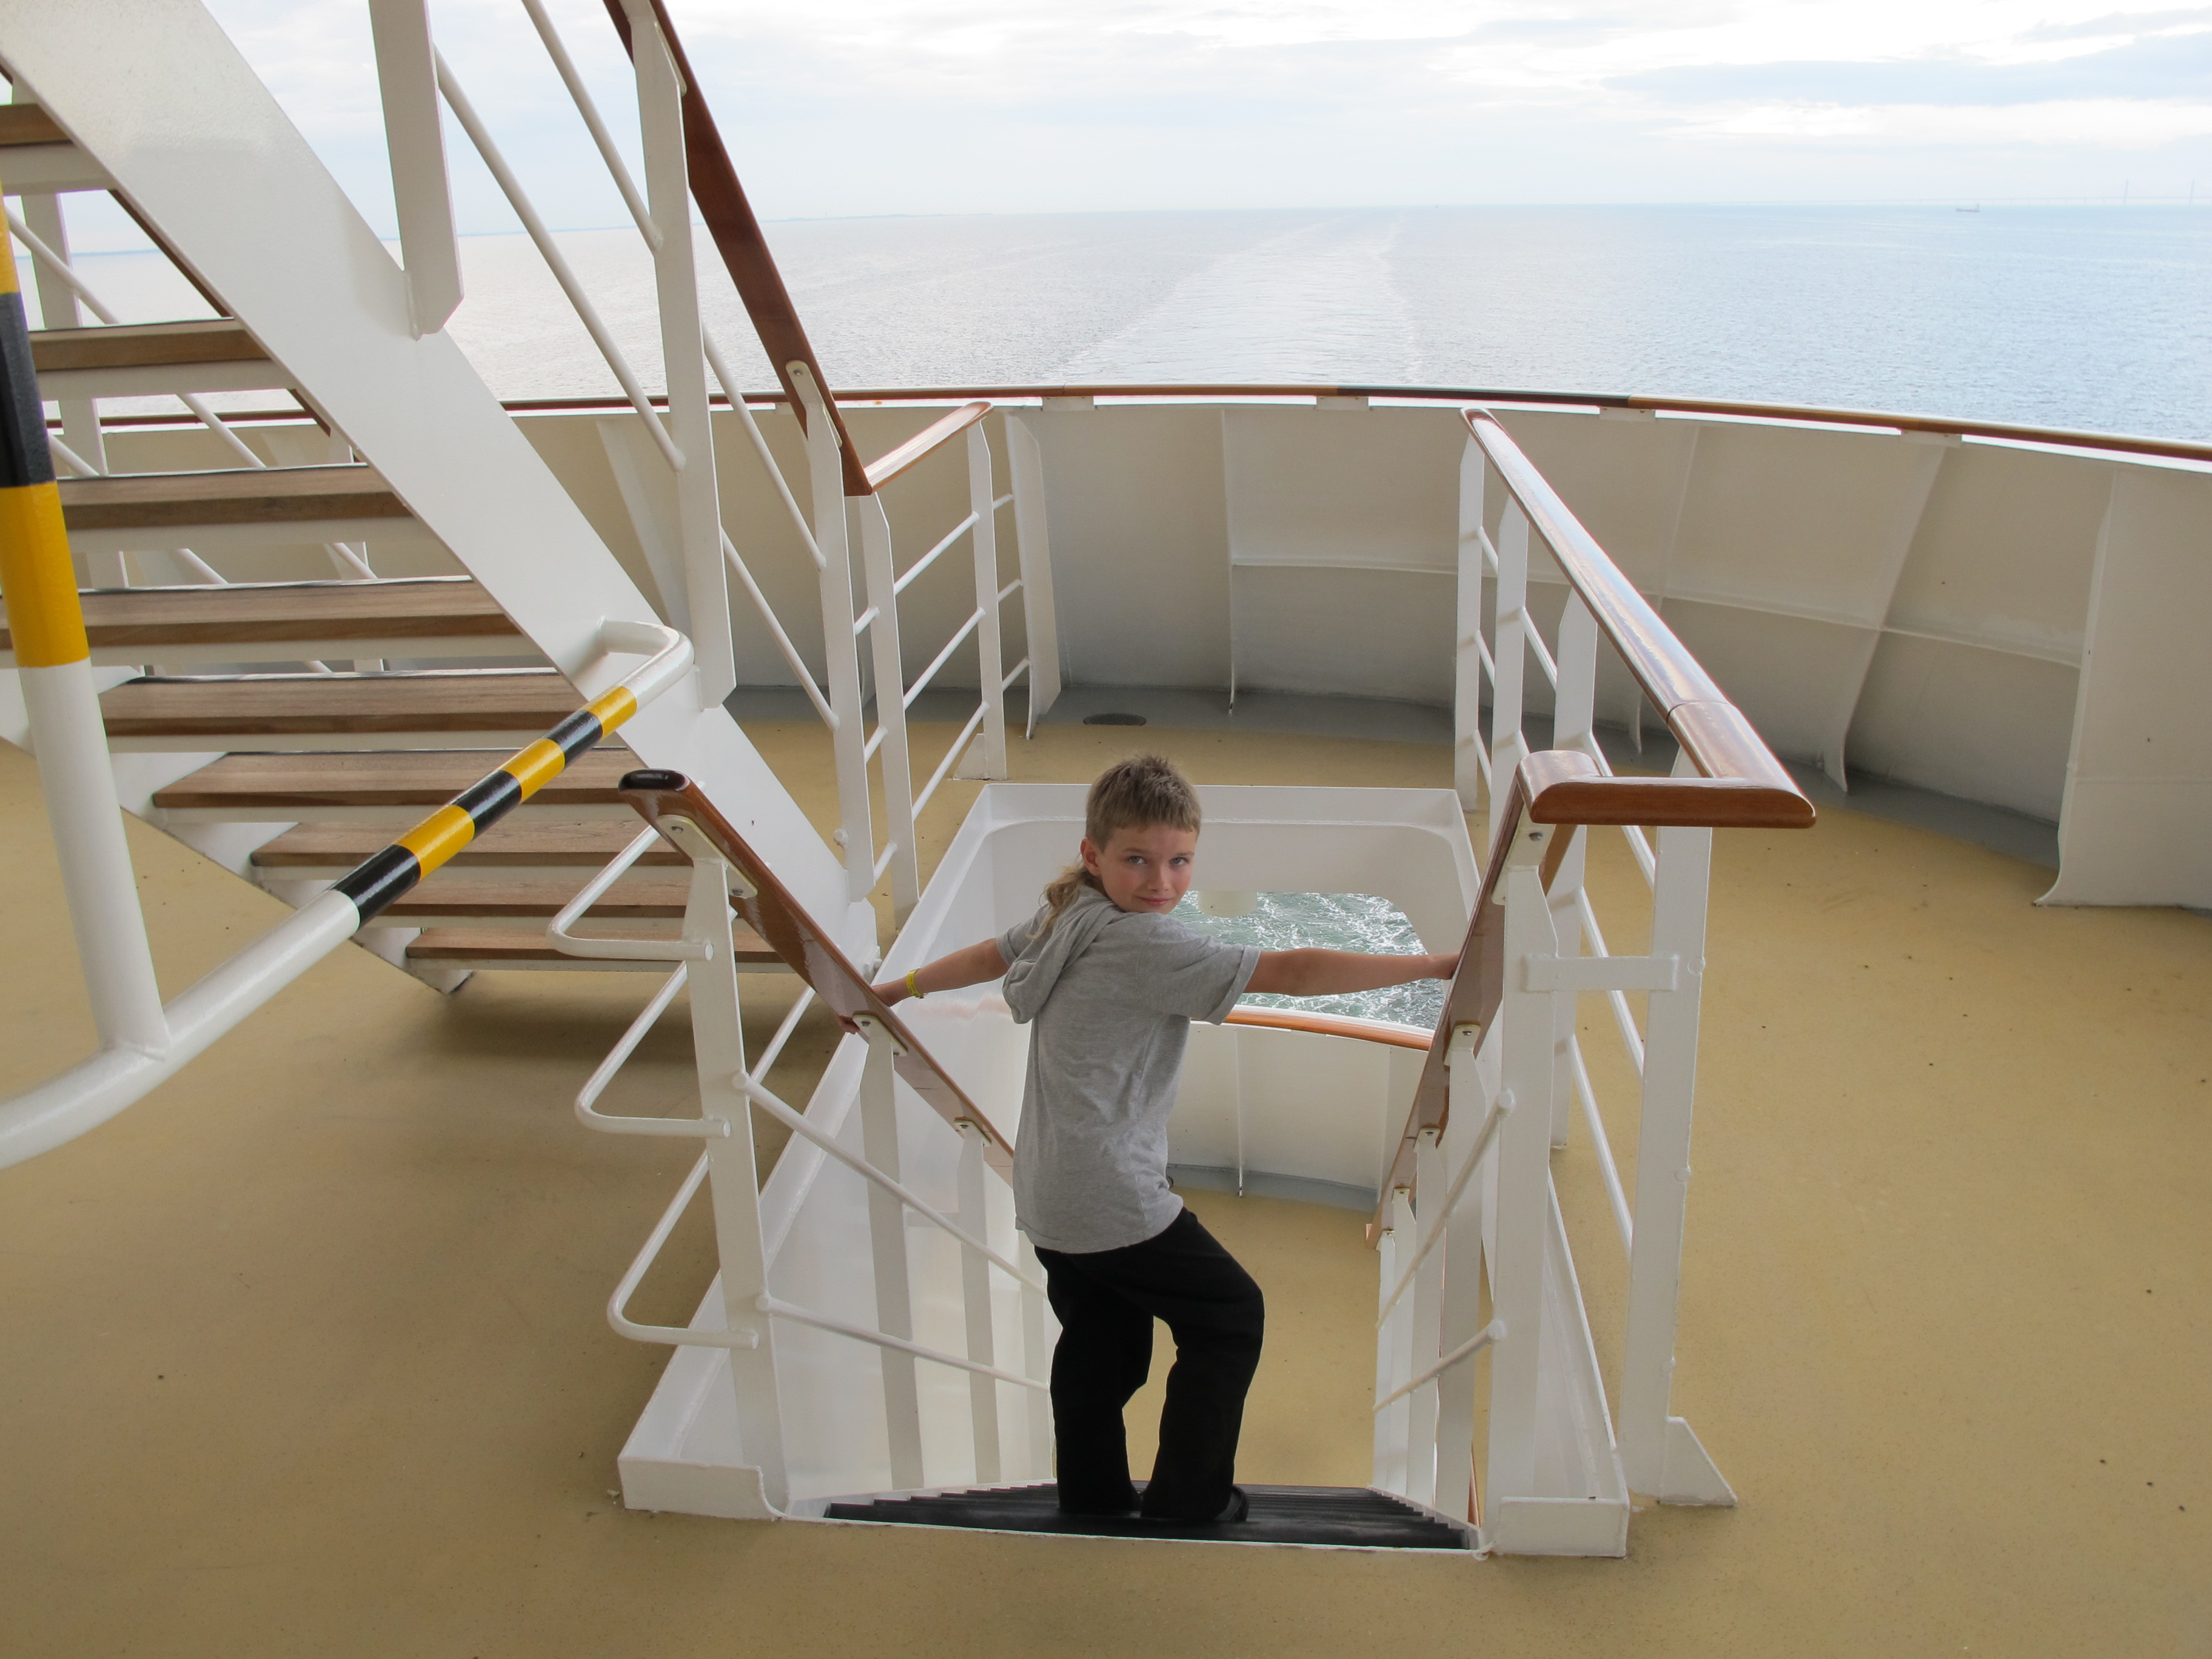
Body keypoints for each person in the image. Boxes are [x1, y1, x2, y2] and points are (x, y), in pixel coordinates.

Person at [868, 755, 1457, 1524]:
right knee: (1231, 1316)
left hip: (1048, 1194)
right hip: (1110, 1196)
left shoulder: (1067, 914)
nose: (1162, 882)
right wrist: (1438, 965)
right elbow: (1292, 970)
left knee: (1101, 1348)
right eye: (1138, 860)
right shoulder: (1146, 945)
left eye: (1180, 861)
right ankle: (1187, 1503)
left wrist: (899, 989)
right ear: (1093, 855)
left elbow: (993, 955)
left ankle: (1094, 1503)